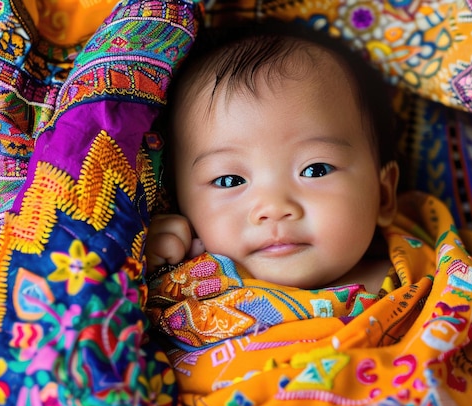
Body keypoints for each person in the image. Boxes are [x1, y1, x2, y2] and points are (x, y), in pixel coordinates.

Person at [145, 21, 401, 296]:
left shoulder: (427, 278)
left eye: (315, 170)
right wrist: (151, 266)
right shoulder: (179, 286)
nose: (274, 207)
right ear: (178, 203)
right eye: (229, 180)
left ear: (383, 195)